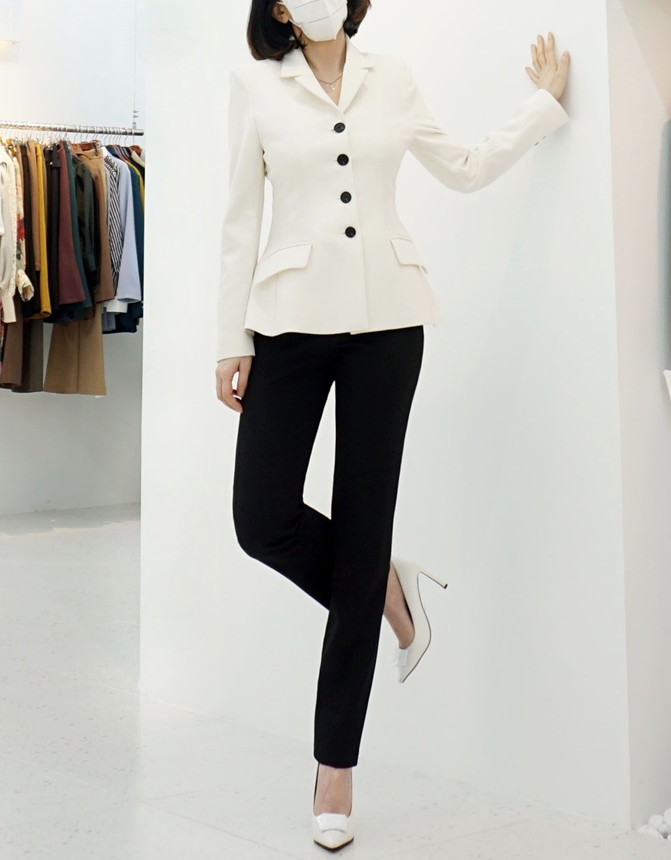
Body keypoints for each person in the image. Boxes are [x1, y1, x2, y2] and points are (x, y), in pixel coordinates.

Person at [215, 0, 571, 850]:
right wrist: (230, 338)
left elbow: (464, 167)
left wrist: (542, 106)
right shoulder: (255, 86)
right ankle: (383, 588)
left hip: (388, 326)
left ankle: (335, 766)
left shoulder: (394, 77)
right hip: (288, 324)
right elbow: (239, 221)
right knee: (260, 519)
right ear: (278, 9)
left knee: (364, 522)